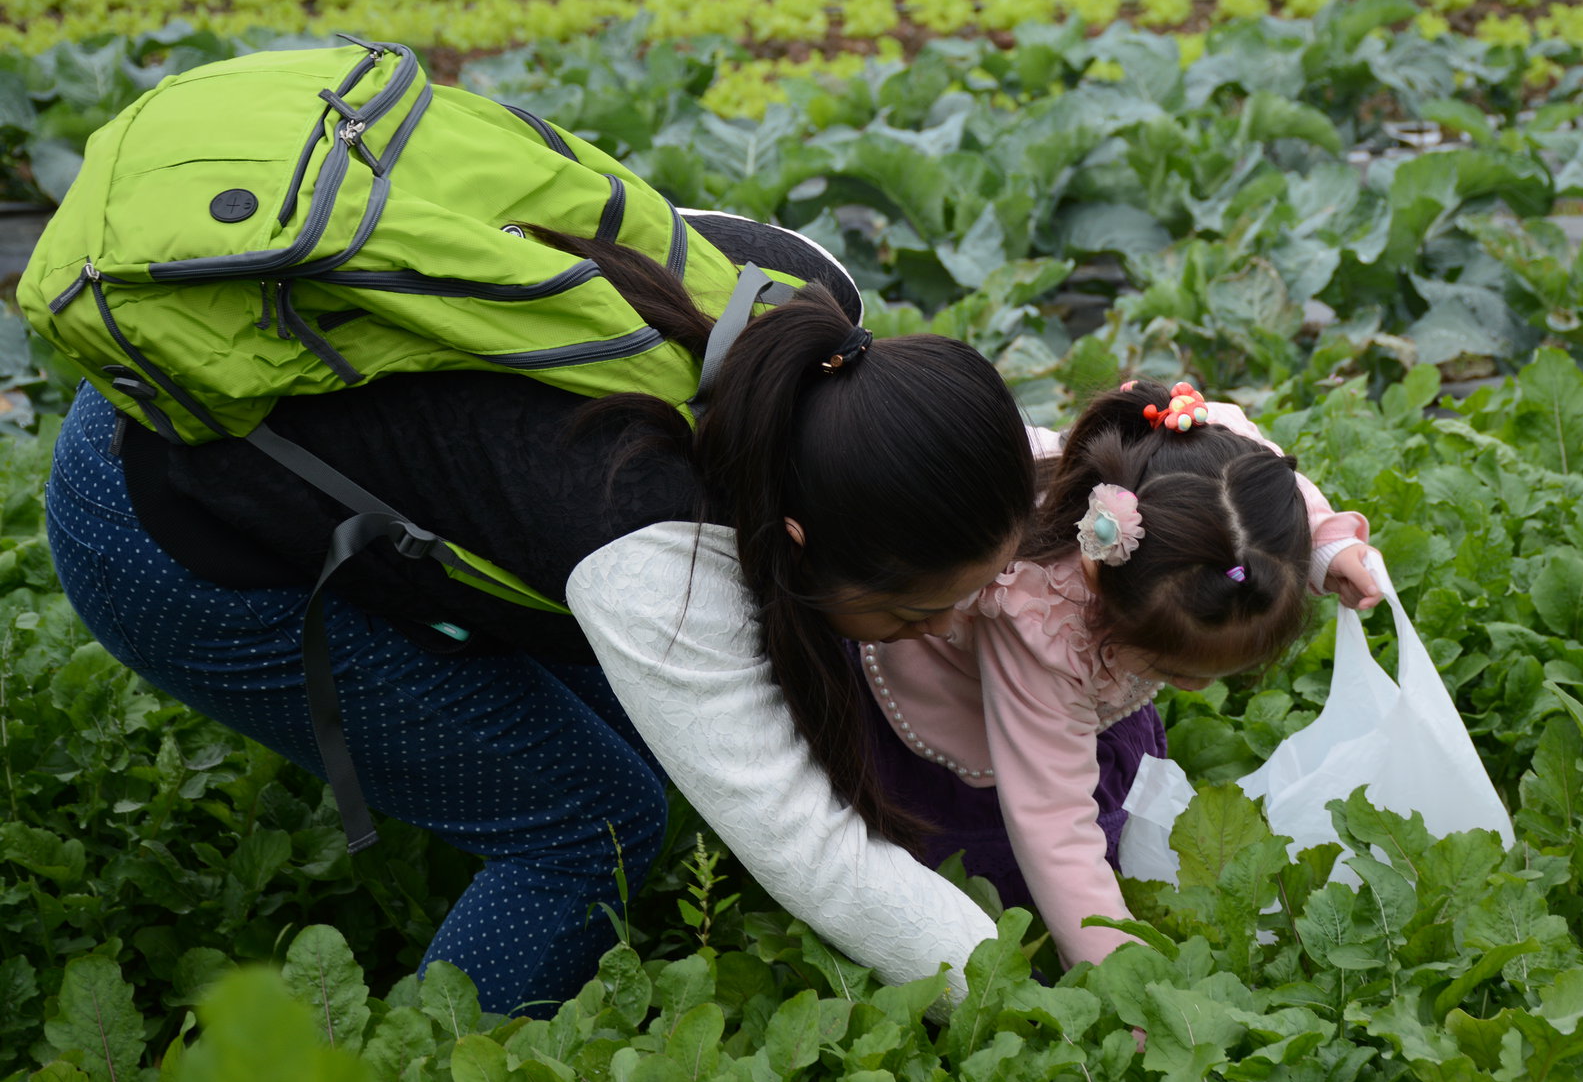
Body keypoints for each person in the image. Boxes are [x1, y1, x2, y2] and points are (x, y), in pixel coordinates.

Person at [42, 213, 1038, 1014]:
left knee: (638, 743)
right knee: (592, 815)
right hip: (158, 512)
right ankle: (433, 1053)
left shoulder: (808, 310)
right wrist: (1035, 1008)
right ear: (799, 532)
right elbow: (816, 853)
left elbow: (946, 465)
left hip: (244, 362)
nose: (948, 629)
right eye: (917, 610)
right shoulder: (646, 543)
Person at [855, 379, 1379, 970]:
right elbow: (1053, 827)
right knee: (1005, 884)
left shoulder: (1203, 465)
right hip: (959, 705)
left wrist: (1325, 543)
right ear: (1102, 590)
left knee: (1106, 779)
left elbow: (1264, 499)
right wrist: (1121, 978)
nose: (1192, 688)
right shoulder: (1038, 626)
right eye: (1171, 668)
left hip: (1085, 679)